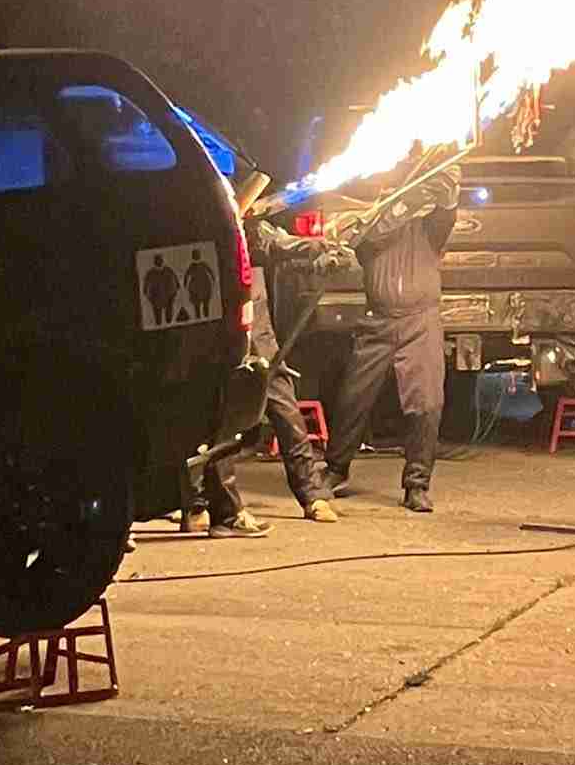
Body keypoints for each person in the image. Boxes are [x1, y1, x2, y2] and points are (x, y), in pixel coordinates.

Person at [181, 214, 354, 535]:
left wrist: (318, 248)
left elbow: (274, 240)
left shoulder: (241, 219)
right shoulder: (198, 218)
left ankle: (312, 495)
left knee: (286, 412)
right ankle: (203, 506)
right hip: (220, 337)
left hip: (259, 337)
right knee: (219, 424)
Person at [324, 159, 460, 514]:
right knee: (352, 398)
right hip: (378, 322)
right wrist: (405, 201)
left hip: (420, 322)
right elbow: (369, 235)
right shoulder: (370, 229)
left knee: (426, 404)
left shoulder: (428, 230)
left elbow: (446, 213)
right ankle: (336, 470)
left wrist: (447, 188)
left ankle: (417, 484)